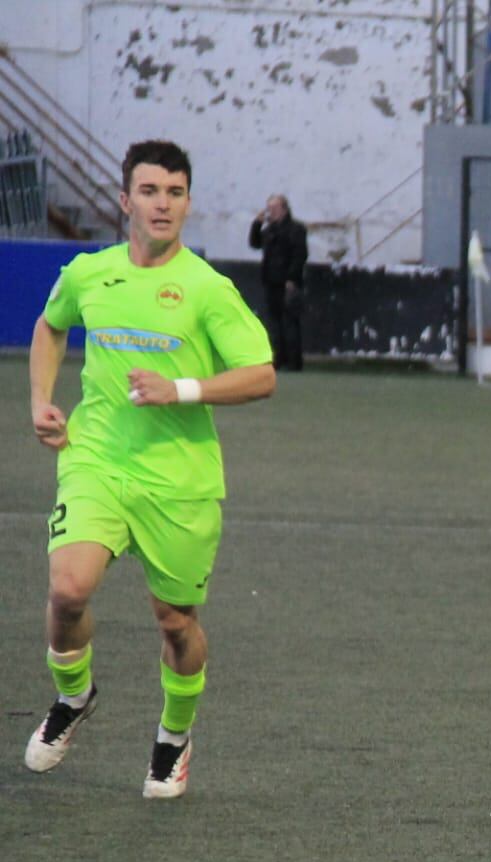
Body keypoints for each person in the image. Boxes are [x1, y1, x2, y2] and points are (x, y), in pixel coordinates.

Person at [25, 139, 277, 798]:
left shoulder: (207, 289)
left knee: (175, 622)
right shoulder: (90, 273)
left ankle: (173, 737)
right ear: (124, 200)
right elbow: (51, 327)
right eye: (149, 191)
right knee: (67, 590)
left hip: (179, 481)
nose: (161, 204)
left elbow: (261, 375)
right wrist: (42, 401)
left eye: (174, 192)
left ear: (188, 202)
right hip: (98, 460)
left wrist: (181, 389)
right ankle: (73, 696)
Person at [247, 193, 307, 372]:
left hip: (287, 282)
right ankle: (278, 359)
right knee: (274, 324)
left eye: (274, 208)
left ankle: (294, 362)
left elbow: (299, 255)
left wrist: (292, 278)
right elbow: (254, 243)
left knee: (289, 323)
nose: (270, 212)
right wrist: (257, 224)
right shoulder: (268, 231)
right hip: (270, 281)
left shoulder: (296, 229)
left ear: (284, 209)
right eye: (269, 208)